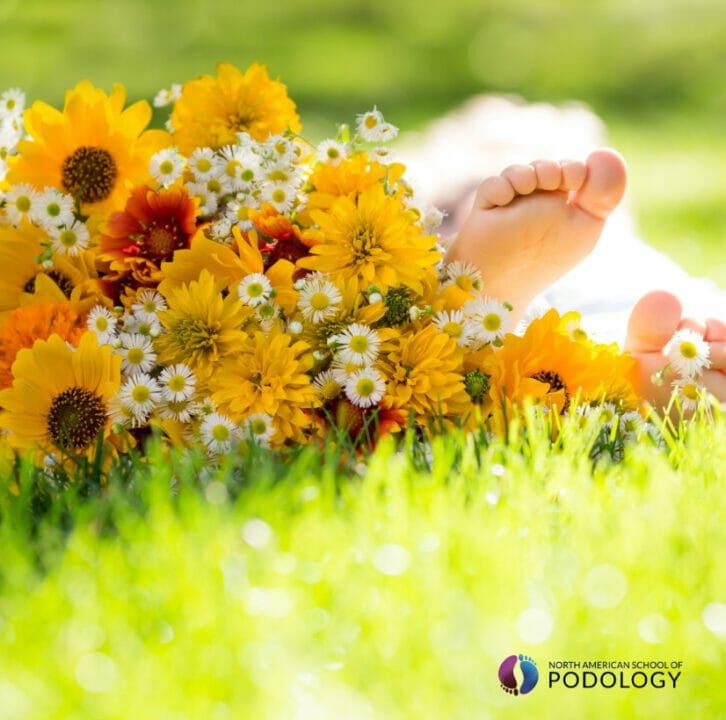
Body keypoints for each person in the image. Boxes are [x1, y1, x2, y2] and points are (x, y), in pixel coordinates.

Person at [397, 95, 726, 409]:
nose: (551, 184)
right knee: (664, 300)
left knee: (651, 299)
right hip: (624, 270)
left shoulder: (443, 188)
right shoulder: (615, 237)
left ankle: (475, 321)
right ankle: (636, 371)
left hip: (607, 269)